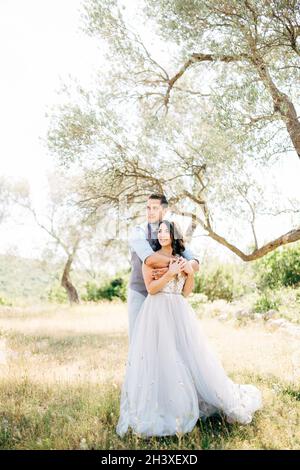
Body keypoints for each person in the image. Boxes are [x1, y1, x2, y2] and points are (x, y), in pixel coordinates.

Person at [116, 220, 262, 438]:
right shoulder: (151, 261)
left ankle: (198, 396)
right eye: (160, 232)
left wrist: (188, 273)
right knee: (161, 356)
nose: (163, 234)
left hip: (179, 311)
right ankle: (165, 405)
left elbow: (185, 293)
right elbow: (151, 289)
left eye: (167, 231)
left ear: (174, 235)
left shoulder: (183, 259)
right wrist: (169, 273)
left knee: (188, 354)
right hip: (156, 312)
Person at [127, 193, 199, 342]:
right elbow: (151, 259)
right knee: (138, 339)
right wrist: (178, 265)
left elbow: (195, 264)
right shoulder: (138, 231)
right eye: (148, 208)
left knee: (164, 341)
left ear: (164, 210)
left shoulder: (172, 232)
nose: (150, 211)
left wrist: (179, 267)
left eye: (155, 208)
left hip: (165, 297)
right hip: (140, 292)